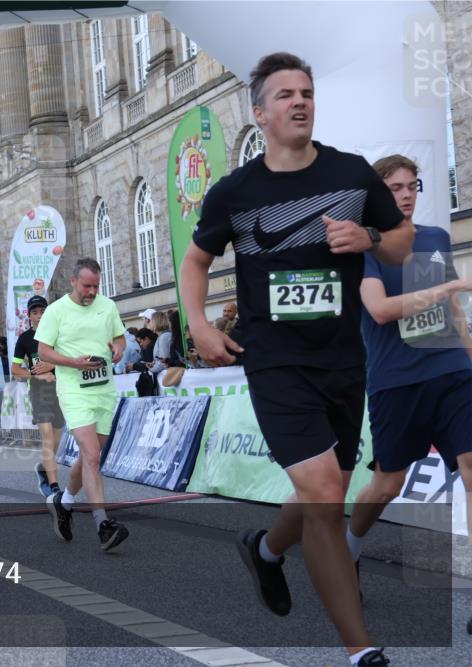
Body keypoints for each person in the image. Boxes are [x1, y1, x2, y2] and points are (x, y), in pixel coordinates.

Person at [179, 52, 412, 667]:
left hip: (342, 358)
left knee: (320, 492)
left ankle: (265, 550)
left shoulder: (352, 174)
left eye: (305, 91)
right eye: (284, 95)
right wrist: (199, 323)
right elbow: (195, 261)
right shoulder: (235, 192)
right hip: (276, 360)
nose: (299, 101)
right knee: (325, 492)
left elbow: (400, 243)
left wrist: (368, 238)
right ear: (260, 113)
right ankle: (360, 651)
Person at [348, 154, 472, 592]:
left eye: (411, 187)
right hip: (397, 379)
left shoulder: (435, 236)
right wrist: (448, 286)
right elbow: (380, 311)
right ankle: (348, 551)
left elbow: (451, 309)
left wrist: (470, 355)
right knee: (387, 484)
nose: (405, 195)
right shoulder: (367, 247)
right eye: (395, 188)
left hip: (452, 369)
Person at [36, 258, 129, 552]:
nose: (91, 291)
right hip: (74, 391)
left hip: (104, 390)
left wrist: (118, 348)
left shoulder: (108, 306)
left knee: (92, 455)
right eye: (87, 286)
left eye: (96, 286)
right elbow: (44, 352)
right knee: (90, 454)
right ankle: (103, 524)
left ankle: (63, 504)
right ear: (73, 282)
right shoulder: (56, 311)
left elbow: (119, 337)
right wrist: (72, 363)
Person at [12, 295, 66, 497]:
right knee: (46, 436)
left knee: (56, 440)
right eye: (35, 313)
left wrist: (54, 365)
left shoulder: (59, 335)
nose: (39, 316)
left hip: (61, 390)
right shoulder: (25, 339)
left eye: (42, 311)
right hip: (39, 392)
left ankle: (44, 468)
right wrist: (37, 375)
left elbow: (70, 359)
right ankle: (54, 488)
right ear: (29, 316)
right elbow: (15, 369)